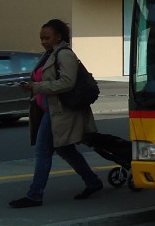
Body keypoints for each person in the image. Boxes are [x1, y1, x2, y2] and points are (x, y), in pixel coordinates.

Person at [9, 19, 103, 208]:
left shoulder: (64, 54)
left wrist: (37, 87)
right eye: (41, 38)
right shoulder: (49, 55)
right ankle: (92, 181)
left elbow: (67, 82)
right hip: (49, 110)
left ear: (58, 36)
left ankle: (35, 195)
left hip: (59, 112)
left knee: (43, 151)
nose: (43, 41)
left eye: (47, 37)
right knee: (64, 149)